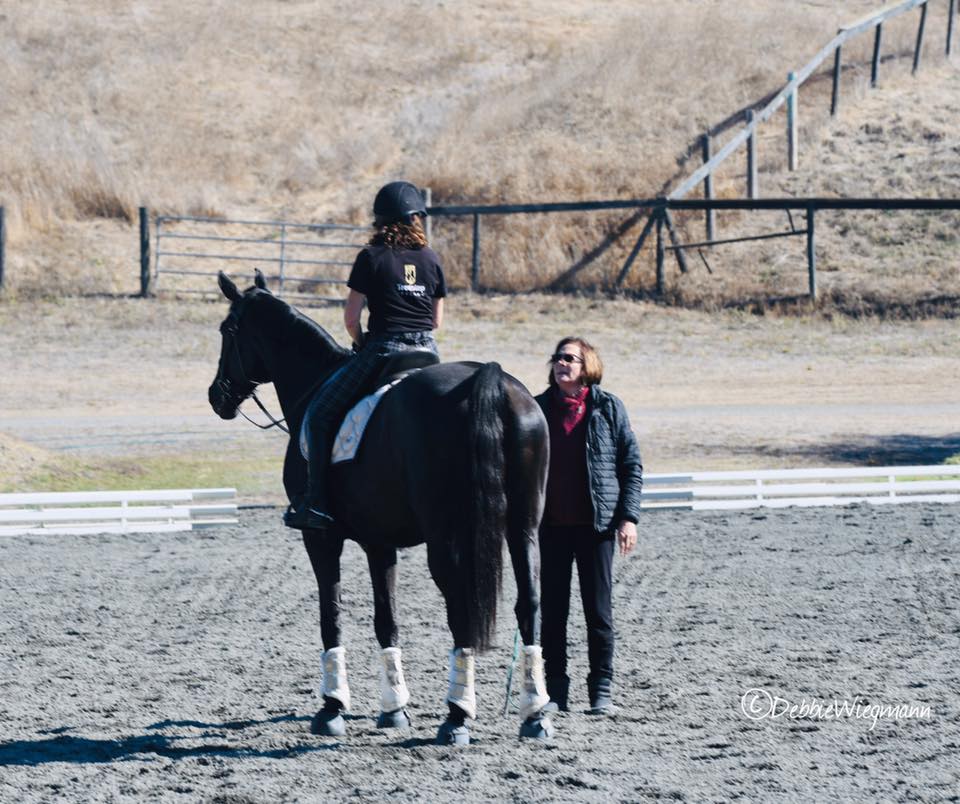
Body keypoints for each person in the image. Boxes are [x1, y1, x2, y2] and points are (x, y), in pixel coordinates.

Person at [285, 180, 446, 530]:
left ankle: (319, 504)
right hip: (428, 353)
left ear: (380, 221)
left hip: (385, 351)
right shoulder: (432, 258)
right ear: (416, 219)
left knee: (320, 413)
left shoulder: (370, 257)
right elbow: (436, 320)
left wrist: (360, 343)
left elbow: (351, 318)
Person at [534, 336, 642, 714]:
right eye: (558, 358)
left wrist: (627, 517)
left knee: (598, 612)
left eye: (570, 358)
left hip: (595, 527)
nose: (561, 363)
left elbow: (630, 466)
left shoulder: (608, 407)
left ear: (586, 366)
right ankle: (556, 692)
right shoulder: (535, 409)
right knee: (553, 614)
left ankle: (601, 690)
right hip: (551, 527)